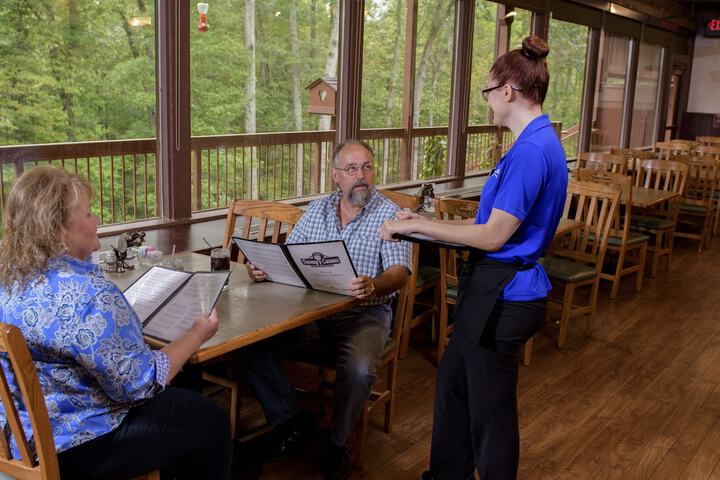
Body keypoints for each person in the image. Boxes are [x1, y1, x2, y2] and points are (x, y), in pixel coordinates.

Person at [379, 36, 568, 480]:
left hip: (505, 297)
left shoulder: (532, 151)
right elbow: (487, 228)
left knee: (491, 414)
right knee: (454, 388)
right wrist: (421, 221)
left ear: (507, 91)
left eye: (487, 91)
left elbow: (492, 235)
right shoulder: (534, 143)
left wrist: (416, 226)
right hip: (490, 290)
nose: (487, 102)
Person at [0, 166, 233, 480]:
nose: (97, 221)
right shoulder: (89, 295)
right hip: (82, 445)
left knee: (183, 404)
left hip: (19, 437)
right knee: (210, 419)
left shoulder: (9, 278)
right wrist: (196, 333)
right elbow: (138, 386)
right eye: (88, 214)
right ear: (56, 229)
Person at [242, 139, 412, 480]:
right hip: (310, 310)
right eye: (351, 169)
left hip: (364, 313)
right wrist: (264, 268)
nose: (361, 176)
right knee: (252, 347)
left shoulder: (391, 214)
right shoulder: (317, 210)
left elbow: (400, 272)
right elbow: (290, 256)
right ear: (336, 176)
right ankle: (289, 420)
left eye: (367, 167)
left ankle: (337, 442)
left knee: (360, 368)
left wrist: (374, 285)